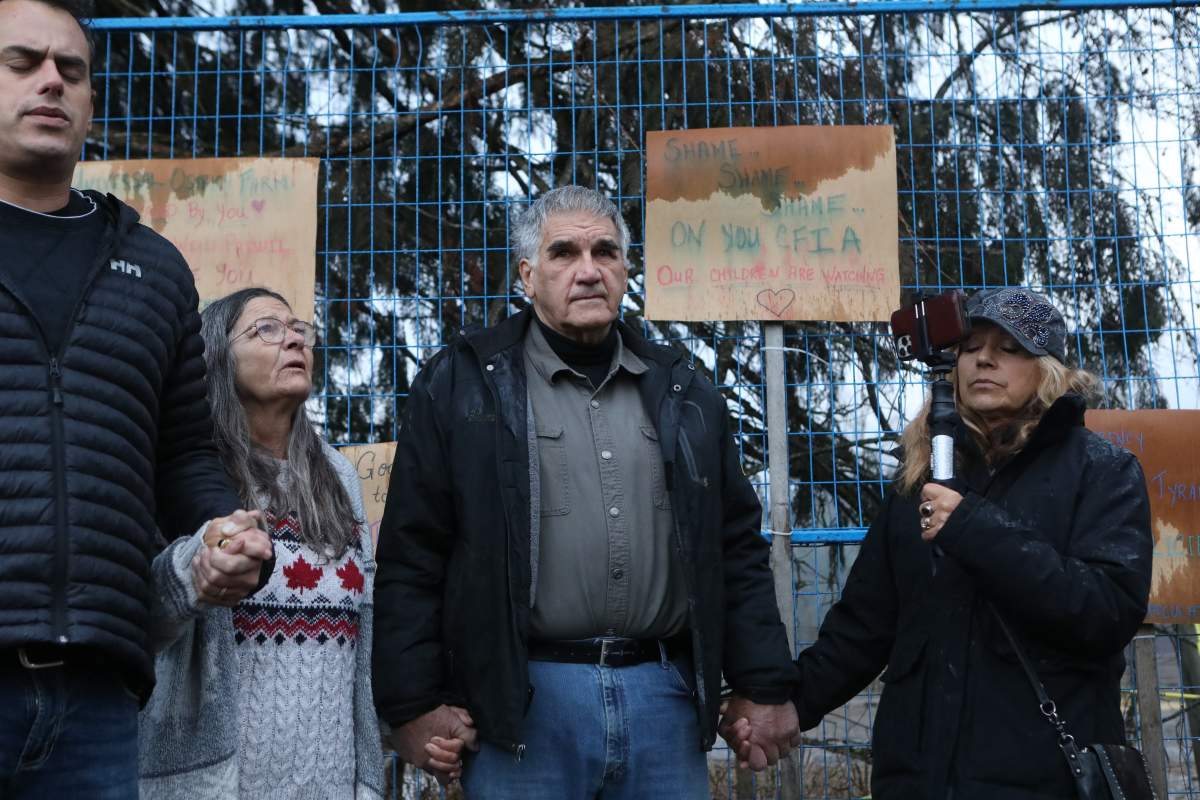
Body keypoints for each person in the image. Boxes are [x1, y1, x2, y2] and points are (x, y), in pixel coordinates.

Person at [372, 185, 801, 798]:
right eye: (563, 254)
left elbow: (733, 546)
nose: (588, 271)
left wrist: (763, 682)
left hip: (663, 700)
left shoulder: (685, 391)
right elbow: (414, 553)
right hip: (521, 707)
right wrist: (412, 704)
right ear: (527, 274)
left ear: (627, 270)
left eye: (605, 252)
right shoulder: (462, 385)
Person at [723, 287, 1153, 799]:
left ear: (1049, 370)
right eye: (970, 347)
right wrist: (788, 707)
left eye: (1009, 348)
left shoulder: (1102, 471)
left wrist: (971, 526)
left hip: (1044, 779)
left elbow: (1106, 610)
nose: (983, 359)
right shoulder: (920, 479)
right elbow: (864, 628)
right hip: (917, 779)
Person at [0, 1, 269, 797]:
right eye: (23, 62)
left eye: (71, 70)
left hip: (99, 692)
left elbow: (183, 450)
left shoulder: (154, 270)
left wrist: (224, 528)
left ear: (89, 101)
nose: (51, 81)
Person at [138, 288, 386, 799]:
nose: (293, 338)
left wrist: (366, 779)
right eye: (267, 329)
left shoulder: (339, 476)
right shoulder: (187, 476)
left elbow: (362, 646)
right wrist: (193, 574)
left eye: (298, 329)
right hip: (217, 784)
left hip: (329, 781)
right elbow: (144, 616)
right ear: (216, 356)